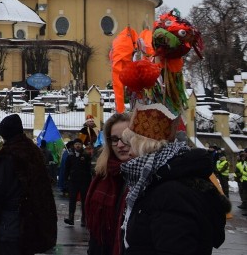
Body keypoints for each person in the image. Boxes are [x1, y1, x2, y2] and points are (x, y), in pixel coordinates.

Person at [120, 103, 229, 254]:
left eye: (131, 145)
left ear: (144, 146)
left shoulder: (170, 194)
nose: (129, 153)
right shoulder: (160, 182)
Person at [0, 114, 56, 255]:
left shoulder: (8, 154)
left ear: (4, 133)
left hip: (12, 220)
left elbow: (0, 189)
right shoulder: (33, 151)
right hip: (33, 220)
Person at [84, 112, 131, 255]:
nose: (120, 145)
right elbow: (96, 236)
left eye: (126, 138)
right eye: (115, 139)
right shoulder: (104, 175)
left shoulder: (147, 177)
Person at [63, 138, 92, 226]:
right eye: (76, 144)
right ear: (74, 145)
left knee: (84, 200)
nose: (77, 146)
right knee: (72, 200)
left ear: (81, 145)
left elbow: (89, 168)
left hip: (84, 182)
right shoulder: (70, 156)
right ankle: (71, 218)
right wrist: (65, 181)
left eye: (79, 144)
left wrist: (89, 180)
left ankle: (84, 219)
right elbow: (66, 169)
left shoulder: (86, 155)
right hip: (73, 181)